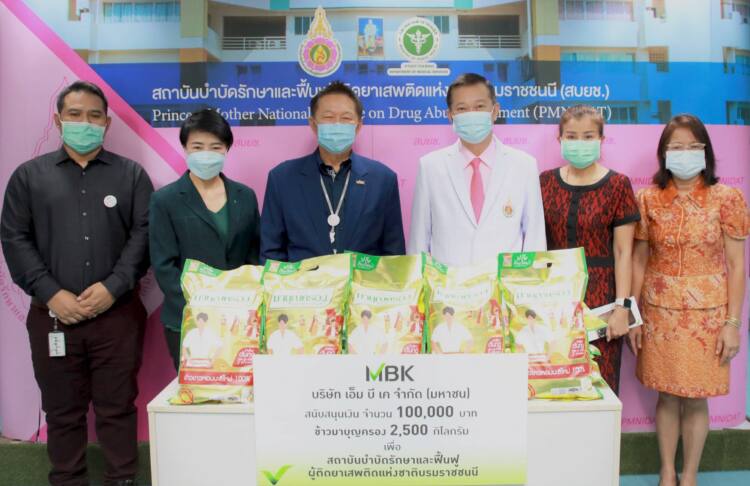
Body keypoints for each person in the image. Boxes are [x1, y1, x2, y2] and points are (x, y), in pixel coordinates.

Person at [0, 81, 152, 486]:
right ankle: (67, 479)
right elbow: (14, 238)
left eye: (94, 116)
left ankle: (122, 478)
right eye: (75, 114)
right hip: (52, 318)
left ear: (107, 123)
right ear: (58, 120)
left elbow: (144, 236)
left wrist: (112, 287)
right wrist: (52, 294)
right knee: (62, 412)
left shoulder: (131, 176)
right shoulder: (28, 177)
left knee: (117, 408)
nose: (85, 122)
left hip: (118, 316)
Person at [629, 114, 748, 486]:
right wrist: (633, 316)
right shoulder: (647, 199)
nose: (684, 153)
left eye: (693, 146)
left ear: (705, 151)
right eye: (676, 146)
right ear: (664, 153)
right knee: (667, 395)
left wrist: (732, 324)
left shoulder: (727, 198)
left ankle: (690, 474)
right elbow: (638, 260)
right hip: (659, 313)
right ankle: (667, 471)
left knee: (697, 397)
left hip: (707, 317)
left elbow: (736, 265)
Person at [539, 104, 640, 394]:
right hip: (554, 298)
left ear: (601, 140)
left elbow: (624, 253)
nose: (579, 143)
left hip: (602, 299)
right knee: (556, 381)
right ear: (560, 139)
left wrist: (623, 307)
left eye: (588, 136)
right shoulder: (544, 182)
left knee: (600, 385)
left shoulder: (618, 185)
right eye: (571, 136)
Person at [149, 109, 260, 371]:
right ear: (185, 148)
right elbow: (164, 265)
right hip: (188, 319)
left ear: (226, 149)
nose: (206, 154)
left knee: (241, 388)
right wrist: (201, 307)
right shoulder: (165, 200)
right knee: (196, 391)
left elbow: (254, 257)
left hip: (239, 318)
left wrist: (243, 303)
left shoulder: (245, 196)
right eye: (197, 147)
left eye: (215, 147)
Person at [408, 73, 546, 265]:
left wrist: (529, 280)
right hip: (449, 282)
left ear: (495, 111)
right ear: (450, 115)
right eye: (462, 108)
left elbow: (535, 238)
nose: (471, 114)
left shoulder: (524, 165)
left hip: (505, 282)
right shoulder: (430, 166)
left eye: (479, 106)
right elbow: (418, 241)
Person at [260, 81, 405, 262]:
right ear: (313, 124)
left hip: (362, 279)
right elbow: (271, 252)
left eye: (346, 118)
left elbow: (393, 254)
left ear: (358, 126)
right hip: (303, 280)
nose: (337, 125)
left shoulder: (383, 180)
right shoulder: (282, 179)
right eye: (328, 117)